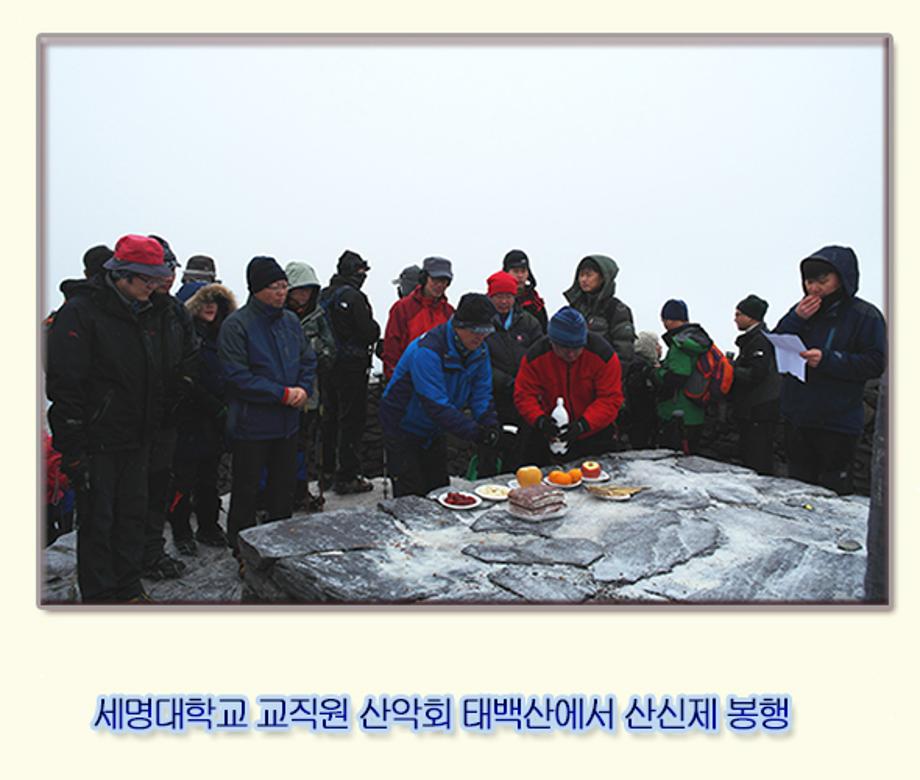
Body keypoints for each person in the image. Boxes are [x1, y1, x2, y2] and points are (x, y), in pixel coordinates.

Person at [46, 234, 174, 602]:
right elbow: (66, 383)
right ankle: (101, 599)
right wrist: (72, 448)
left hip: (137, 437)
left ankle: (129, 589)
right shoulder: (81, 312)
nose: (154, 286)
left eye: (157, 278)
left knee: (132, 517)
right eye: (147, 278)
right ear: (122, 274)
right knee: (98, 524)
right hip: (97, 440)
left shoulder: (146, 311)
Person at [219, 256, 316, 570]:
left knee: (283, 489)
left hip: (287, 423)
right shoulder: (237, 325)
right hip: (252, 424)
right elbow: (236, 376)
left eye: (284, 286)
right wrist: (281, 393)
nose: (281, 292)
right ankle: (241, 551)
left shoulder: (290, 322)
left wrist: (303, 388)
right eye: (274, 287)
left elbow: (307, 359)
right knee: (246, 490)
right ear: (256, 288)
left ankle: (280, 548)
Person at [773, 245, 886, 494]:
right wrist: (796, 318)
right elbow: (776, 342)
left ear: (842, 278)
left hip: (837, 422)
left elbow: (876, 362)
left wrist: (828, 359)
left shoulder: (865, 315)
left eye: (822, 281)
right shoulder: (802, 310)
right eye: (809, 281)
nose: (814, 288)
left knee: (833, 491)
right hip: (798, 417)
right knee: (797, 491)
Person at [380, 293, 501, 497]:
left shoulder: (479, 350)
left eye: (486, 331)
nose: (480, 337)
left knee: (439, 490)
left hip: (434, 429)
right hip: (403, 425)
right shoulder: (427, 351)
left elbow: (481, 392)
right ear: (459, 325)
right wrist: (476, 433)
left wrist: (489, 424)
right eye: (475, 330)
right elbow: (435, 404)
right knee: (411, 493)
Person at [141, 236, 199, 580]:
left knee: (159, 485)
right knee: (130, 492)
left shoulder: (175, 311)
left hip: (168, 416)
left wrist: (183, 387)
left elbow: (191, 354)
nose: (168, 276)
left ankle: (151, 552)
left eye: (171, 269)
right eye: (161, 269)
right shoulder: (129, 310)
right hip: (129, 419)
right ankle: (128, 560)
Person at [167, 280, 237, 554]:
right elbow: (184, 378)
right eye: (204, 301)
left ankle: (209, 526)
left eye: (215, 302)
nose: (210, 307)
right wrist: (214, 405)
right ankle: (182, 531)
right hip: (187, 416)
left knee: (209, 476)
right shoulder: (183, 336)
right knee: (182, 479)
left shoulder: (222, 335)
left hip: (214, 418)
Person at [514, 307, 624, 466]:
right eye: (564, 348)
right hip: (549, 432)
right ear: (552, 342)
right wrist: (539, 420)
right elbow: (524, 395)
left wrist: (584, 425)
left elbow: (610, 399)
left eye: (577, 347)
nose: (571, 354)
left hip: (594, 432)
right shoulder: (535, 357)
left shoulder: (603, 355)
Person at [318, 250, 380, 494]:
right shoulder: (354, 297)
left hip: (326, 366)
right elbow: (368, 331)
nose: (363, 275)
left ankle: (326, 473)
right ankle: (347, 476)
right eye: (361, 270)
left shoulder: (324, 295)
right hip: (352, 367)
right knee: (352, 420)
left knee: (329, 419)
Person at [479, 270, 542, 475]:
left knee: (521, 451)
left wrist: (527, 383)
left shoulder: (529, 322)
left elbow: (540, 355)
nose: (504, 301)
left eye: (508, 296)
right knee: (490, 449)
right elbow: (478, 361)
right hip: (492, 397)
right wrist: (506, 382)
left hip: (524, 396)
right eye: (499, 296)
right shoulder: (482, 323)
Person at [285, 260, 336, 511]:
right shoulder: (278, 315)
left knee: (304, 445)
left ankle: (300, 491)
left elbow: (331, 347)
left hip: (311, 392)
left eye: (308, 289)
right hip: (281, 393)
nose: (304, 295)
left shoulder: (319, 315)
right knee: (281, 447)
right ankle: (274, 494)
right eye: (299, 289)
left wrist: (318, 351)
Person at [729, 294, 780, 475]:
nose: (735, 319)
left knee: (757, 458)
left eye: (739, 314)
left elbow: (756, 374)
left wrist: (731, 369)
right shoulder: (757, 339)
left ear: (751, 317)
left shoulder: (760, 341)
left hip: (758, 408)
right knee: (754, 455)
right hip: (758, 408)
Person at [382, 256, 455, 381]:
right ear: (424, 278)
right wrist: (395, 380)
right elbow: (392, 348)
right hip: (408, 380)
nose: (440, 285)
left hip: (441, 381)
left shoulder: (449, 312)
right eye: (435, 280)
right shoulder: (402, 308)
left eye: (444, 281)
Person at [656, 299, 713, 454]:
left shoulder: (680, 344)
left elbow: (677, 377)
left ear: (668, 320)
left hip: (677, 412)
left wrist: (657, 372)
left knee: (673, 461)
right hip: (695, 411)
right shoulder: (697, 340)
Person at [563, 254, 636, 369]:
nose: (584, 279)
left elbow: (624, 352)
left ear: (603, 277)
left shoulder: (616, 310)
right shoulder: (573, 309)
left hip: (603, 375)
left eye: (589, 275)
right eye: (581, 275)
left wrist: (610, 374)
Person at [622, 331, 662, 450]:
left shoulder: (635, 363)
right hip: (640, 421)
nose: (660, 347)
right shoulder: (642, 368)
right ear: (649, 347)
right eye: (656, 344)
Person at [503, 249, 548, 331]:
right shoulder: (495, 301)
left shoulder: (535, 303)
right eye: (516, 271)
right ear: (506, 273)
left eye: (523, 271)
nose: (520, 275)